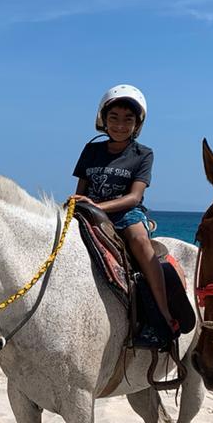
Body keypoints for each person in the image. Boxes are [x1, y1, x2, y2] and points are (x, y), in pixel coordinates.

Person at [72, 84, 178, 334]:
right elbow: (81, 189)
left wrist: (97, 206)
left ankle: (162, 312)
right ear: (104, 120)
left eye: (128, 120)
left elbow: (134, 197)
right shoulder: (91, 150)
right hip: (90, 212)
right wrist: (79, 203)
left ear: (137, 124)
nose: (120, 125)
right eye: (114, 118)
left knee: (140, 241)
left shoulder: (143, 154)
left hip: (125, 214)